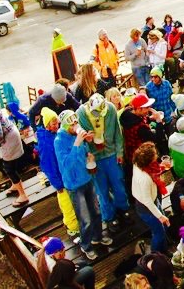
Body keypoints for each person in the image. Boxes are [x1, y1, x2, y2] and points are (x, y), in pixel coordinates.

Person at [54, 110, 112, 261]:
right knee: (85, 219)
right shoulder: (59, 141)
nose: (76, 126)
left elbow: (84, 151)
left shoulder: (77, 134)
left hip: (87, 178)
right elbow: (66, 165)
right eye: (72, 124)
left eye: (76, 123)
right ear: (66, 126)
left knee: (97, 212)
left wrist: (88, 151)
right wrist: (77, 143)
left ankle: (98, 237)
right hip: (74, 185)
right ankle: (85, 245)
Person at [76, 93, 130, 231]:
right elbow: (79, 141)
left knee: (119, 184)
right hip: (95, 158)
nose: (99, 115)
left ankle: (123, 209)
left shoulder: (111, 109)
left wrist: (119, 152)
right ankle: (109, 217)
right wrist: (88, 143)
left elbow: (118, 133)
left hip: (111, 154)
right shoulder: (81, 114)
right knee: (102, 190)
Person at [37, 108, 80, 236]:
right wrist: (58, 184)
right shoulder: (46, 142)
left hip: (66, 175)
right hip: (60, 179)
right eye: (53, 123)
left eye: (57, 123)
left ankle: (71, 223)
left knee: (69, 202)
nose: (57, 126)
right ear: (47, 125)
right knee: (67, 204)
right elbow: (49, 165)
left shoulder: (55, 135)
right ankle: (73, 228)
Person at [0, 95, 30, 207]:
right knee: (4, 163)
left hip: (9, 138)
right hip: (5, 140)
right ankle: (15, 184)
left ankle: (23, 195)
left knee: (9, 168)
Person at [132, 142, 170, 253]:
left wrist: (161, 166)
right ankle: (155, 256)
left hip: (153, 201)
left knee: (163, 228)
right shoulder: (144, 179)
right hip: (147, 209)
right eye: (154, 155)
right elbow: (147, 201)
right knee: (158, 233)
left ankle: (164, 250)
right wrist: (160, 216)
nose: (157, 156)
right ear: (148, 161)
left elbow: (153, 169)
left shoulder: (137, 164)